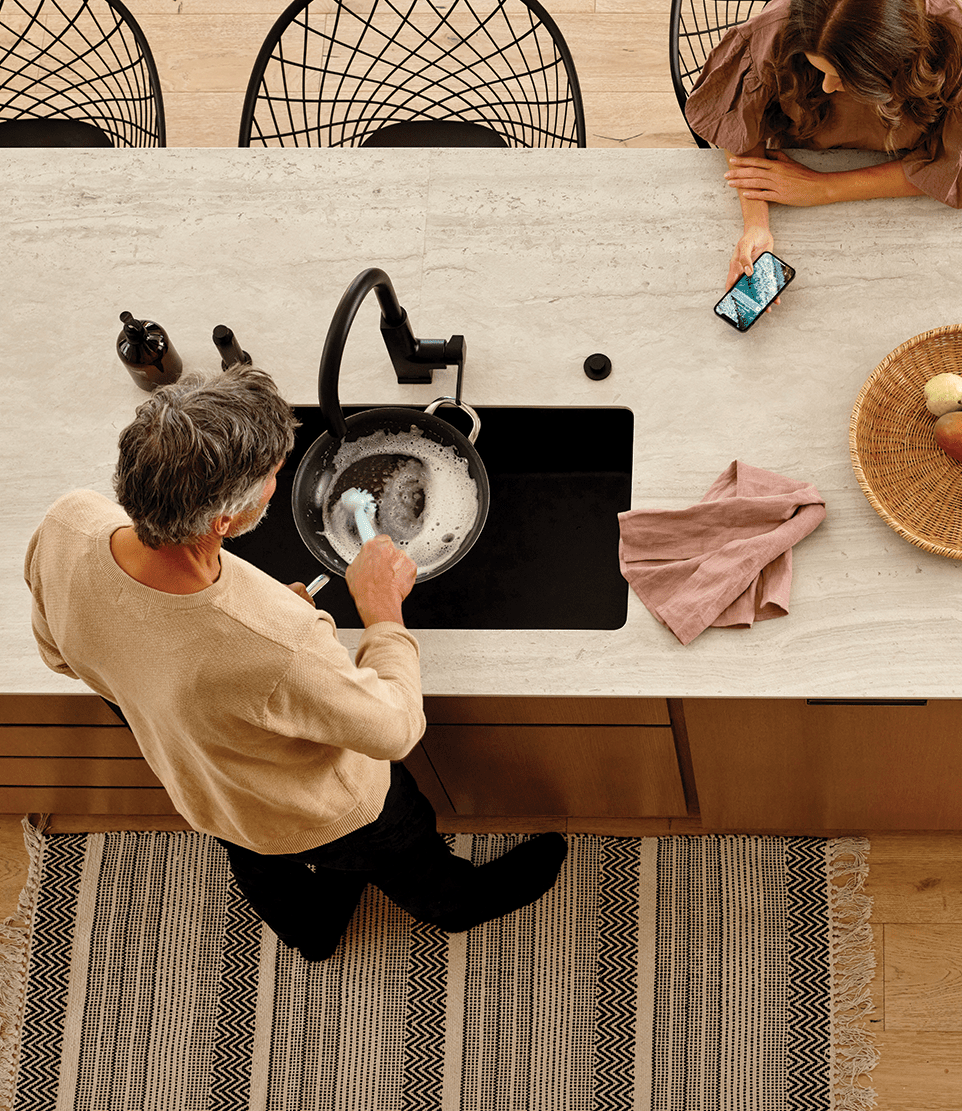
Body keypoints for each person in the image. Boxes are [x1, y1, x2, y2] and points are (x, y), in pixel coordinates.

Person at [24, 366, 567, 963]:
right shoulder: (277, 644)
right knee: (407, 854)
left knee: (270, 872)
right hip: (338, 810)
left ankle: (314, 934)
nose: (275, 485)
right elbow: (395, 728)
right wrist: (381, 609)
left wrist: (195, 683)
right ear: (224, 521)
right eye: (272, 478)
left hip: (213, 801)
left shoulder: (68, 524)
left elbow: (58, 653)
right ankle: (454, 907)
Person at [684, 0, 962, 288]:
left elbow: (958, 169)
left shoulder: (961, 42)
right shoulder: (780, 29)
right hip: (800, 156)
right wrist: (756, 226)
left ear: (894, 65)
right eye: (820, 71)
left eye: (841, 78)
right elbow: (737, 122)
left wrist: (824, 188)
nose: (826, 87)